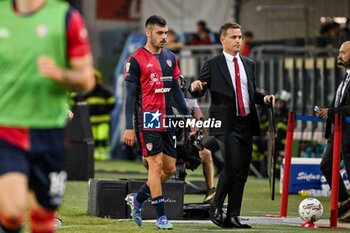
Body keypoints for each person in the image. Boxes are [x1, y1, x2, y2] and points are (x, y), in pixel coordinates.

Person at [0, 1, 95, 233]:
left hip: (49, 132)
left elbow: (86, 79)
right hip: (9, 128)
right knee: (12, 210)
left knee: (44, 219)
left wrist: (60, 75)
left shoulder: (65, 17)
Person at [189, 21, 274, 229]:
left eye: (240, 37)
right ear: (223, 39)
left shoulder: (249, 64)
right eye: (234, 37)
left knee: (242, 171)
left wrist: (264, 99)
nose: (238, 40)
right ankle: (216, 206)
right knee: (233, 165)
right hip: (225, 124)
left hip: (246, 122)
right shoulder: (213, 63)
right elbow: (199, 89)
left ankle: (233, 215)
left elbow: (251, 93)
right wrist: (196, 87)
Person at [123, 15, 189, 230]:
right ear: (148, 33)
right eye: (159, 33)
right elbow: (130, 97)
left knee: (169, 169)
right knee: (156, 164)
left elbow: (177, 91)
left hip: (167, 118)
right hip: (148, 118)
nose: (164, 37)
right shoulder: (135, 60)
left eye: (165, 32)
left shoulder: (171, 57)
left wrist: (188, 117)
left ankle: (138, 199)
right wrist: (129, 127)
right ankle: (161, 217)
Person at [317, 40, 350, 222]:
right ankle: (345, 200)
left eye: (343, 53)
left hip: (348, 132)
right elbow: (341, 103)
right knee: (326, 165)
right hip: (337, 131)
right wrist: (328, 109)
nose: (339, 56)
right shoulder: (346, 76)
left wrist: (332, 112)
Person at [81, 69, 115, 161]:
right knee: (93, 139)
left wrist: (104, 110)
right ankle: (94, 155)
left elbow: (112, 103)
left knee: (103, 138)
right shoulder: (87, 93)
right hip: (91, 120)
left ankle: (104, 155)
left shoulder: (105, 92)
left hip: (103, 120)